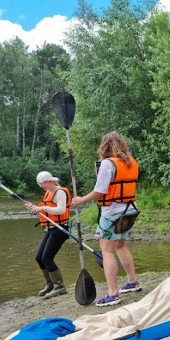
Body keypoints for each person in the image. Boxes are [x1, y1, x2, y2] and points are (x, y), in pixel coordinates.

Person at [72, 132, 141, 307]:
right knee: (120, 245)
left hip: (112, 212)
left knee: (107, 251)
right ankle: (132, 282)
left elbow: (100, 191)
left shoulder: (108, 164)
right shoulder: (130, 162)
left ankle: (112, 293)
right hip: (129, 210)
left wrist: (81, 200)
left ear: (105, 146)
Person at [24, 171, 71, 299]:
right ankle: (50, 285)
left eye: (43, 183)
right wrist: (34, 208)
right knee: (39, 257)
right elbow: (47, 211)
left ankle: (60, 287)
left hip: (60, 229)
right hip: (50, 228)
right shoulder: (48, 192)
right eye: (39, 184)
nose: (41, 186)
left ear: (50, 181)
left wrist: (42, 209)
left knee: (47, 258)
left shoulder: (60, 192)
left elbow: (61, 210)